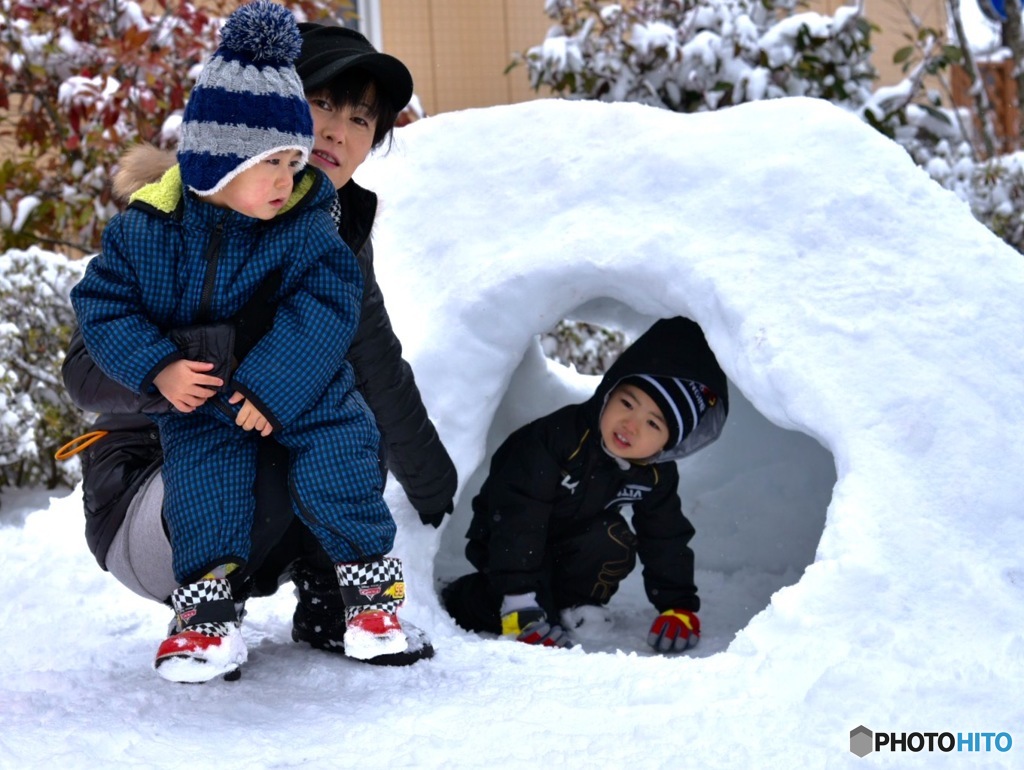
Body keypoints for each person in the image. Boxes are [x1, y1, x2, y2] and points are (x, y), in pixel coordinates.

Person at [67, 2, 450, 683]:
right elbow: (84, 371)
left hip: (250, 441)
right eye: (322, 103)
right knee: (264, 435)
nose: (337, 130)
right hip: (149, 485)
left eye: (361, 119)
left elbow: (377, 362)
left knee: (347, 424)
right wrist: (185, 364)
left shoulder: (325, 235)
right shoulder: (163, 222)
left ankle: (342, 604)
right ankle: (206, 616)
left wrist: (437, 492)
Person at [441, 317, 728, 652]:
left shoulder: (654, 470)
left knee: (611, 538)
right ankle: (464, 595)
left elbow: (665, 534)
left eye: (652, 423)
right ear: (608, 392)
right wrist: (519, 604)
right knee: (507, 601)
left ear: (668, 443)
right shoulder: (555, 440)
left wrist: (678, 607)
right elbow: (519, 517)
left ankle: (571, 605)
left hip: (570, 543)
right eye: (627, 403)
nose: (630, 426)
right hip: (506, 539)